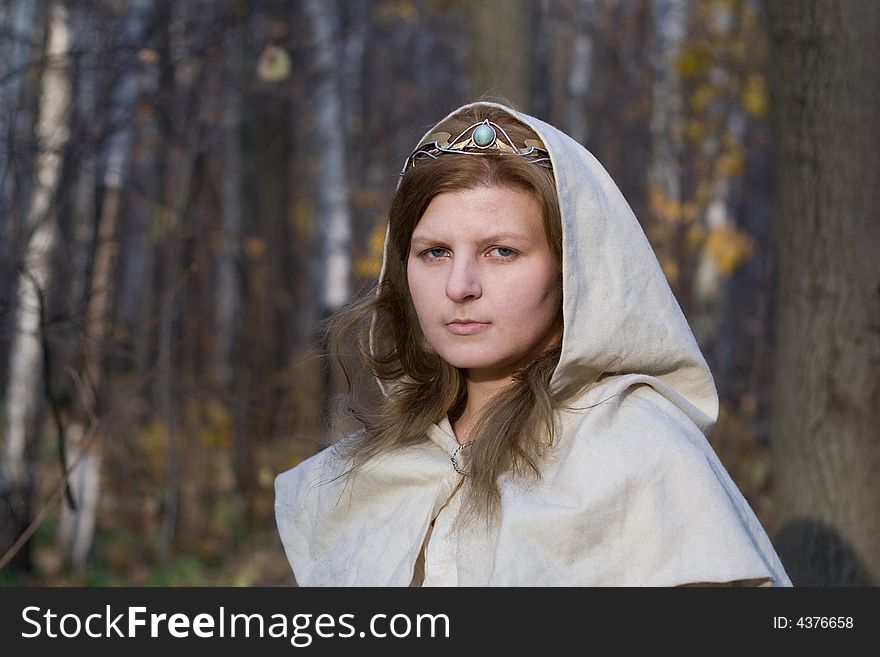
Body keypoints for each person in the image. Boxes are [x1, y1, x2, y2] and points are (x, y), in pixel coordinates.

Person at [274, 100, 793, 587]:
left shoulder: (642, 452)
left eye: (501, 251)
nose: (459, 286)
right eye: (434, 252)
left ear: (573, 268)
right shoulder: (373, 467)